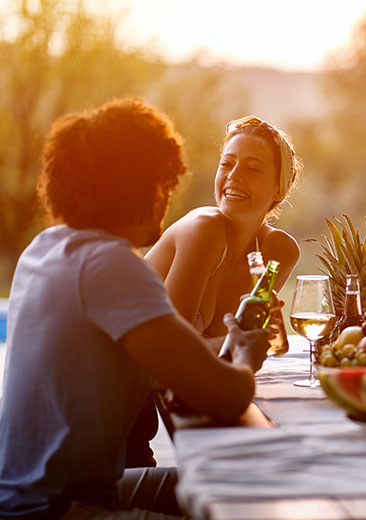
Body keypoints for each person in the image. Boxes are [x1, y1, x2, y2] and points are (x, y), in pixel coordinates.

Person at [0, 98, 272, 518]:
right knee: (254, 508)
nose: (168, 196)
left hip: (42, 491)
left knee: (233, 488)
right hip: (55, 509)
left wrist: (229, 345)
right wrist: (247, 358)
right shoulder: (111, 266)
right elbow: (228, 395)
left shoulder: (46, 248)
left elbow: (167, 355)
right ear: (143, 189)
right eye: (165, 183)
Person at [145, 115, 302, 338]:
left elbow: (233, 358)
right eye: (227, 164)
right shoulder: (204, 229)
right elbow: (169, 348)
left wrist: (253, 339)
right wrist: (243, 342)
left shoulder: (278, 252)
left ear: (279, 186)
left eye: (253, 168)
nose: (234, 175)